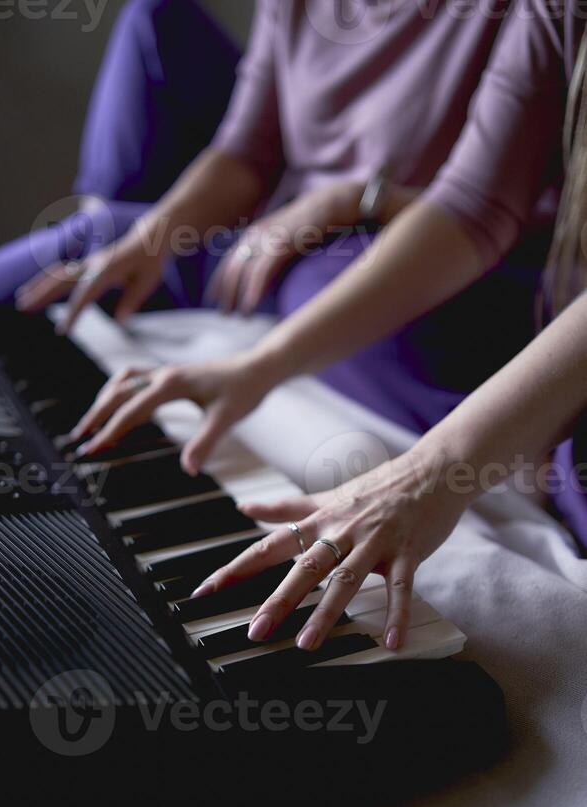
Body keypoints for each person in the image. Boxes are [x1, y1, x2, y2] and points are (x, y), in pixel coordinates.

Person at [49, 0, 587, 653]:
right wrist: (256, 366)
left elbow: (482, 215)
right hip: (296, 250)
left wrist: (436, 470)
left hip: (385, 267)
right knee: (88, 243)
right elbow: (472, 207)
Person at [0, 0, 546, 434]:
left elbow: (480, 212)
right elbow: (247, 149)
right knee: (98, 242)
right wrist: (150, 238)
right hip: (276, 237)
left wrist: (351, 199)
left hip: (402, 249)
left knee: (313, 290)